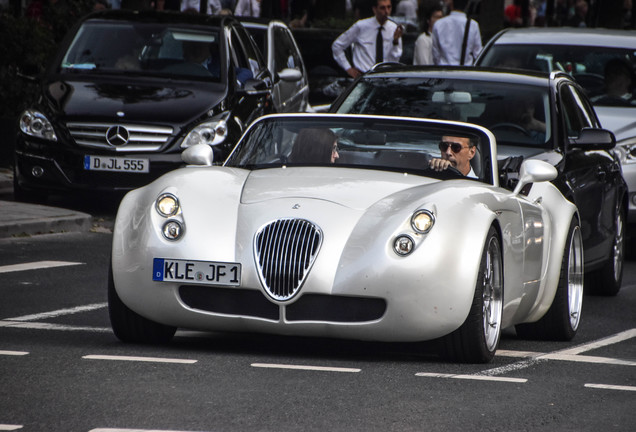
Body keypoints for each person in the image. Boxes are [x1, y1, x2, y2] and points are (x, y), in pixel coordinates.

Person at [332, 0, 403, 79]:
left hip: (385, 78)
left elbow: (395, 59)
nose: (386, 11)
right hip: (363, 76)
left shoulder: (394, 28)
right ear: (375, 9)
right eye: (382, 8)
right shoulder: (361, 26)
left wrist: (395, 42)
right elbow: (337, 45)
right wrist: (348, 68)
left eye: (389, 7)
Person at [432, 0, 482, 66]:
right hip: (465, 71)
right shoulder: (473, 25)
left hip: (443, 71)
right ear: (467, 5)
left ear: (451, 4)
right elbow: (478, 54)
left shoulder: (438, 24)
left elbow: (436, 55)